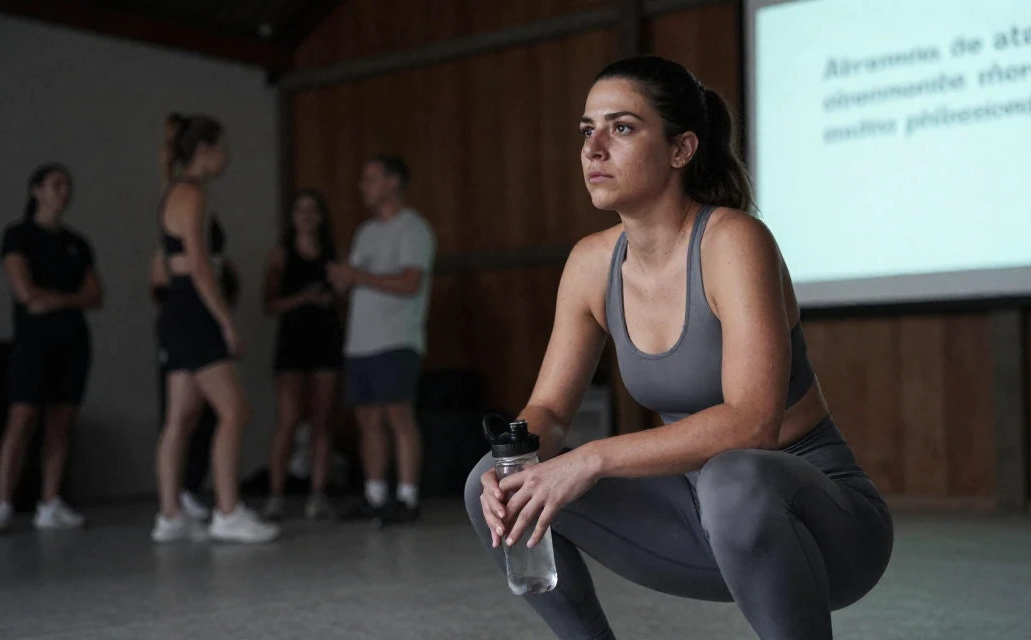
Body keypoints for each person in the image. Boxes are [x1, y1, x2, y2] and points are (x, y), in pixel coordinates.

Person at [465, 56, 894, 639]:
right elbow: (551, 412)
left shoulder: (733, 242)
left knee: (732, 477)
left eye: (621, 128)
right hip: (693, 526)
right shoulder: (591, 263)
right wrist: (517, 457)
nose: (594, 149)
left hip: (821, 532)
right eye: (586, 130)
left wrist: (590, 459)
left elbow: (752, 424)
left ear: (681, 149)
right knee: (493, 480)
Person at [152, 112, 278, 543]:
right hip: (193, 312)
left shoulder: (181, 190)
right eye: (223, 147)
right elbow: (200, 267)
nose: (228, 156)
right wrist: (226, 322)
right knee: (234, 410)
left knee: (181, 417)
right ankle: (228, 510)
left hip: (181, 311)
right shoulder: (190, 194)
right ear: (204, 150)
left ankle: (169, 516)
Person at [0, 163, 103, 535]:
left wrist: (55, 300)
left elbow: (95, 295)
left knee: (61, 423)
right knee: (22, 419)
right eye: (55, 185)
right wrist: (68, 299)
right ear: (36, 190)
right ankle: (4, 503)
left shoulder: (78, 243)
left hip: (72, 342)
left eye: (67, 185)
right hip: (33, 342)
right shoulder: (18, 235)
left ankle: (50, 502)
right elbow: (24, 292)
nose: (63, 192)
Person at [327, 155, 435, 524]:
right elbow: (354, 281)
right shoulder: (365, 232)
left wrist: (358, 275)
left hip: (396, 338)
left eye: (371, 178)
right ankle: (375, 495)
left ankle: (407, 497)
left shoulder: (413, 228)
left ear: (394, 182)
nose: (364, 187)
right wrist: (342, 278)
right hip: (360, 341)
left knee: (398, 416)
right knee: (367, 419)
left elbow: (410, 282)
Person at [261, 189, 342, 521]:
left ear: (321, 217)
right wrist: (303, 298)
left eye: (312, 210)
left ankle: (318, 493)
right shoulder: (281, 255)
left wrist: (331, 299)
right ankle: (276, 494)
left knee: (323, 421)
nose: (306, 216)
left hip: (326, 340)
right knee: (289, 419)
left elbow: (343, 297)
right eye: (300, 210)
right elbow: (269, 303)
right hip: (293, 342)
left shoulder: (333, 254)